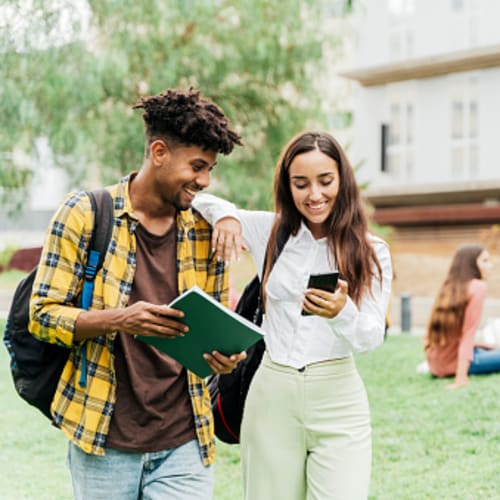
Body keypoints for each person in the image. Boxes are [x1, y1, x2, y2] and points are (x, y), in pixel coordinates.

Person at [29, 88, 246, 500]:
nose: (205, 181)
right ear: (159, 152)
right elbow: (41, 316)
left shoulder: (207, 229)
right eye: (197, 166)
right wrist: (121, 319)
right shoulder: (84, 213)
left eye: (211, 169)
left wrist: (225, 357)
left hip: (185, 439)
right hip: (104, 440)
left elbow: (215, 330)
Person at [193, 130, 393, 499]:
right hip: (272, 392)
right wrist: (227, 218)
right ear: (288, 186)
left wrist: (340, 312)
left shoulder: (372, 250)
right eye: (301, 184)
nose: (314, 195)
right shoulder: (270, 231)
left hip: (338, 396)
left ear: (343, 181)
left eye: (325, 181)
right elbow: (199, 201)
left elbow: (369, 338)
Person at [424, 243, 500, 389]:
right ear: (471, 264)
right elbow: (468, 333)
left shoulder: (449, 287)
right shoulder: (478, 287)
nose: (490, 265)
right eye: (485, 261)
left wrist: (483, 345)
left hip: (436, 364)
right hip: (456, 362)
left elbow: (443, 335)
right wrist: (461, 378)